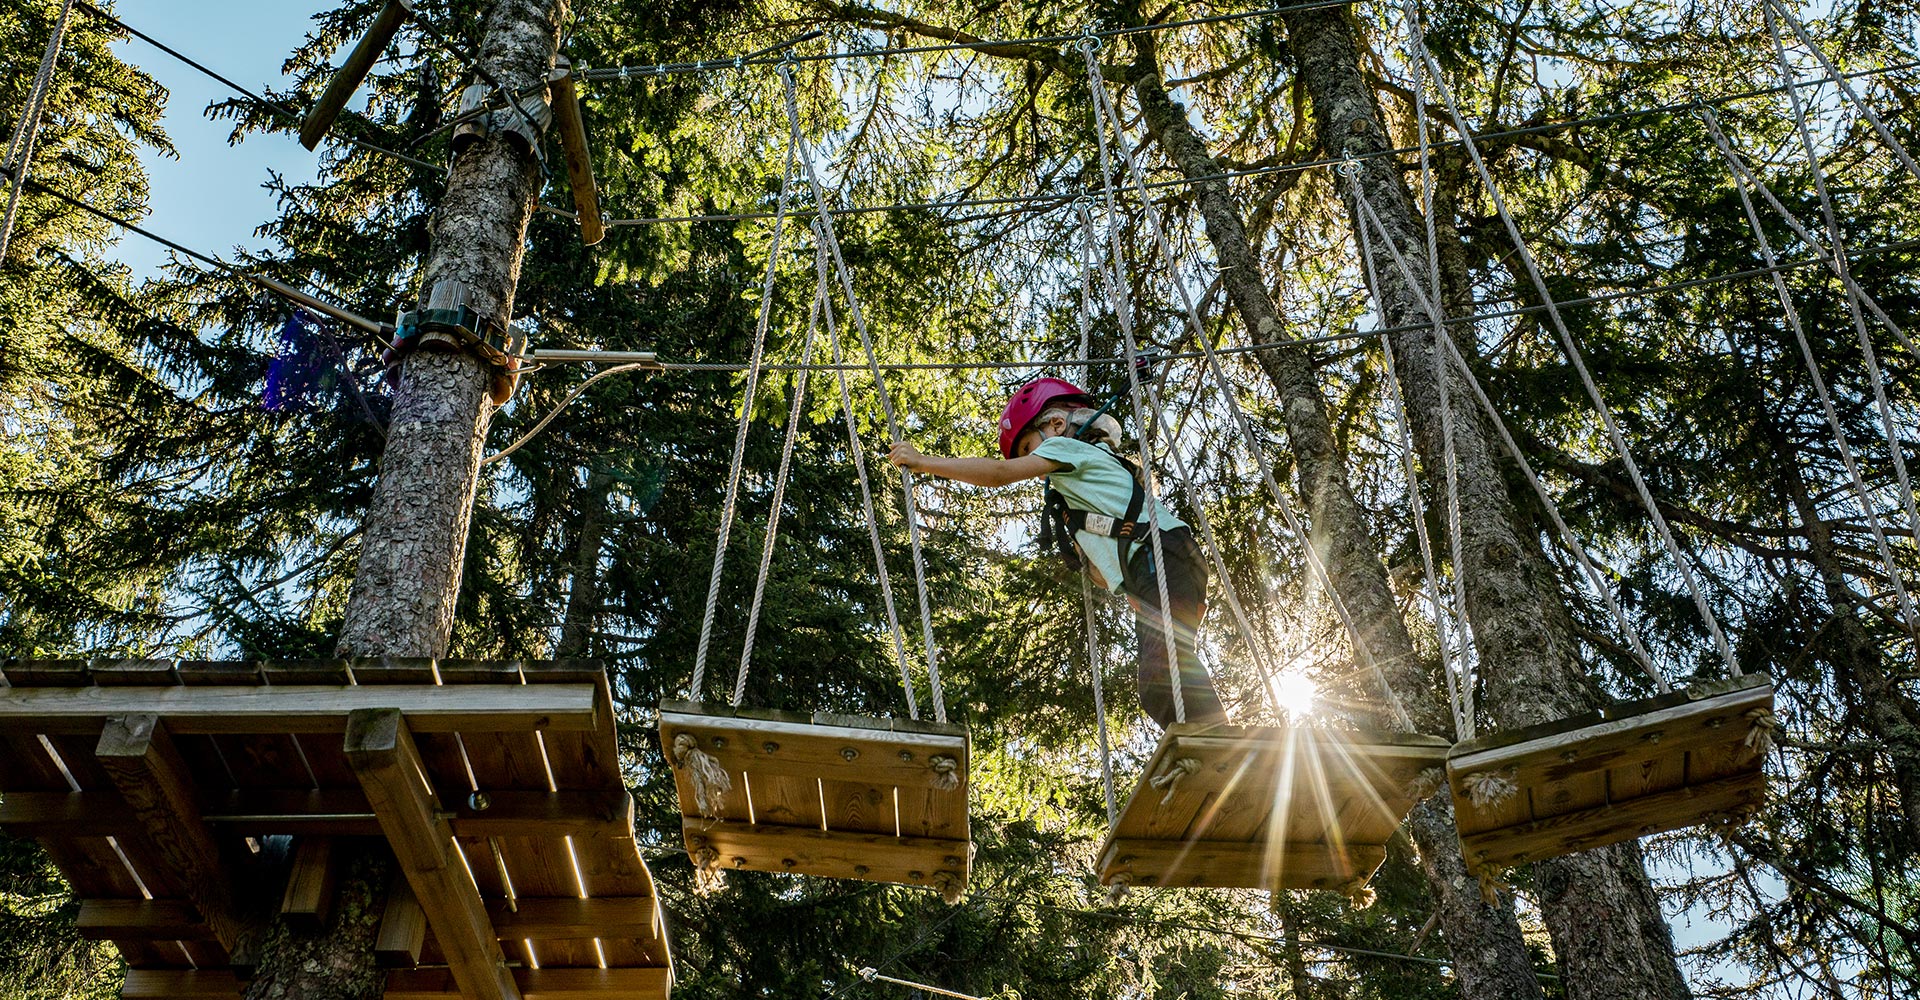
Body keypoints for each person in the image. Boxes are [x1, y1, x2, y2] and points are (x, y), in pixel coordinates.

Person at [888, 377, 1229, 729]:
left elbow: (998, 473)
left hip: (1160, 557)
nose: (1031, 463)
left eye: (1029, 447)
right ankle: (1209, 744)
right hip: (1162, 563)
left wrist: (924, 462)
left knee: (1163, 670)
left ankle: (1217, 746)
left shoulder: (1067, 449)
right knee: (1157, 680)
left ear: (1055, 425)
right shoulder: (1085, 481)